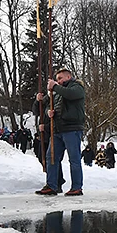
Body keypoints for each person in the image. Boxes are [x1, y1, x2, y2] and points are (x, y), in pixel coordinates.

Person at [35, 66, 86, 196]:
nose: (58, 81)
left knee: (74, 159)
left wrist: (55, 86)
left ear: (68, 77)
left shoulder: (77, 87)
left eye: (60, 78)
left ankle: (76, 187)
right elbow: (45, 106)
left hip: (71, 128)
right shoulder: (56, 92)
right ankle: (52, 185)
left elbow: (70, 95)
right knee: (51, 157)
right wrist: (47, 111)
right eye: (57, 79)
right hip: (57, 129)